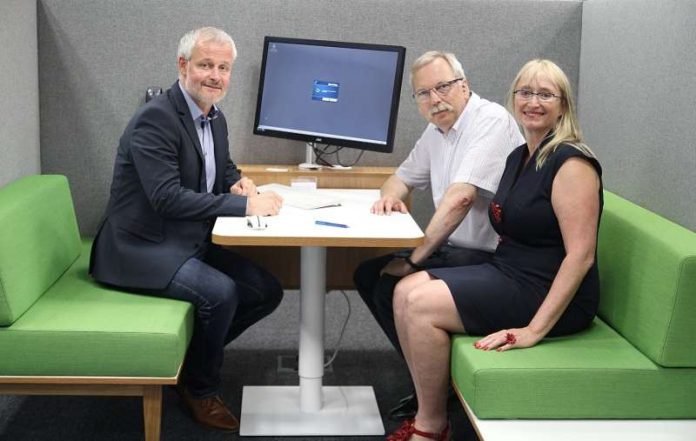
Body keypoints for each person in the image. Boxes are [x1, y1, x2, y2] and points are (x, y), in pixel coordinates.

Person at [387, 58, 603, 441]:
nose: (532, 102)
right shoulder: (520, 156)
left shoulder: (571, 163)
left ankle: (431, 428)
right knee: (405, 290)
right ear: (513, 99)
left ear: (564, 105)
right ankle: (429, 412)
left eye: (545, 94)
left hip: (547, 289)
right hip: (510, 271)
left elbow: (581, 256)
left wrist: (534, 330)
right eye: (524, 93)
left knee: (419, 305)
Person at [89, 27, 284, 433]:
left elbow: (219, 167)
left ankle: (189, 364)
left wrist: (238, 181)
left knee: (266, 290)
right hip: (139, 246)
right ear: (183, 66)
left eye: (224, 67)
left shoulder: (213, 116)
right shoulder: (156, 119)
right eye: (206, 65)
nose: (215, 75)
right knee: (221, 293)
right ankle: (200, 388)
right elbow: (167, 198)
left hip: (183, 238)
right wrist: (246, 205)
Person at [353, 51, 523, 420]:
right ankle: (430, 381)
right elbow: (400, 178)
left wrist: (415, 259)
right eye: (424, 93)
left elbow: (462, 198)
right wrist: (389, 199)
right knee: (369, 275)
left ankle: (436, 393)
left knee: (396, 281)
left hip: (492, 259)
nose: (435, 99)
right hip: (457, 250)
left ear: (465, 85)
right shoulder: (438, 131)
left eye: (443, 87)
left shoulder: (489, 121)